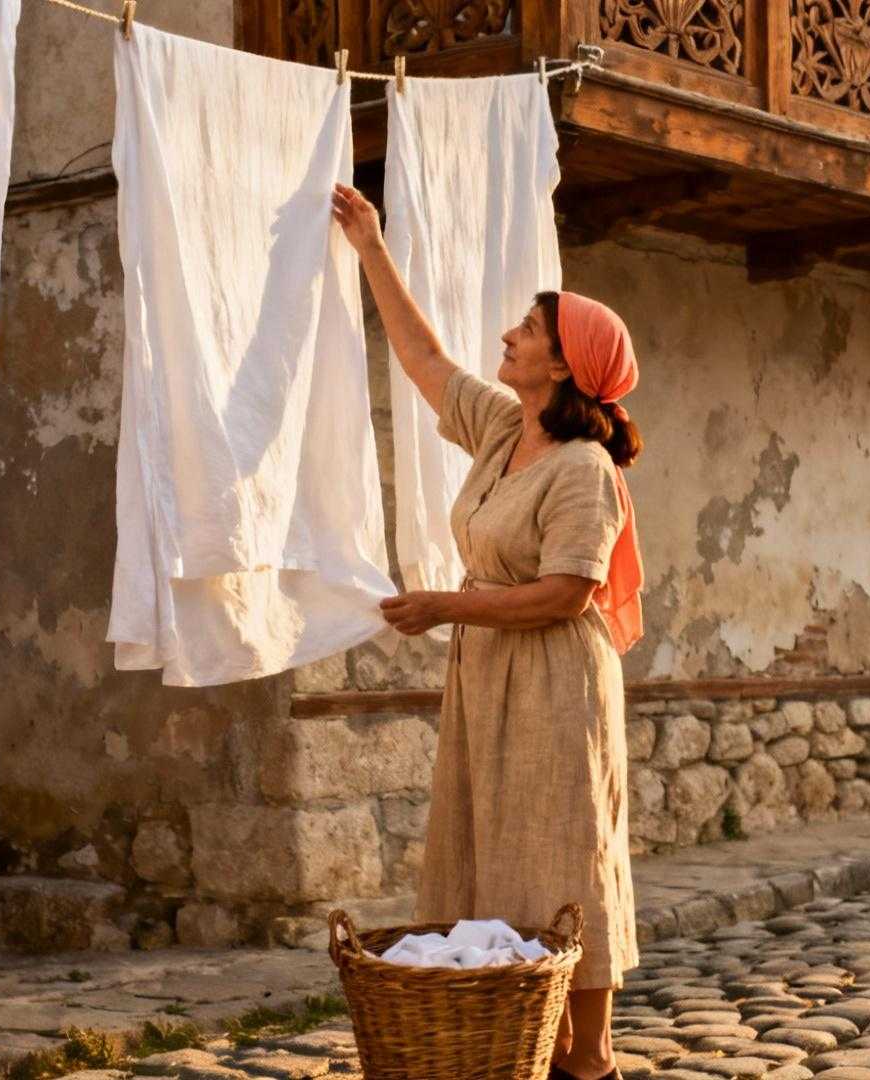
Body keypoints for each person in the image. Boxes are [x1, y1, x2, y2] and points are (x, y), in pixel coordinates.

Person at [331, 182, 645, 1080]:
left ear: (562, 364)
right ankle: (520, 1041)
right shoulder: (507, 431)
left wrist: (444, 606)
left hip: (555, 679)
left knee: (562, 855)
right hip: (491, 676)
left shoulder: (583, 467)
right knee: (491, 852)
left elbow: (568, 592)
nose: (509, 335)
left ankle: (590, 1062)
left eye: (528, 329)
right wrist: (371, 247)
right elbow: (424, 360)